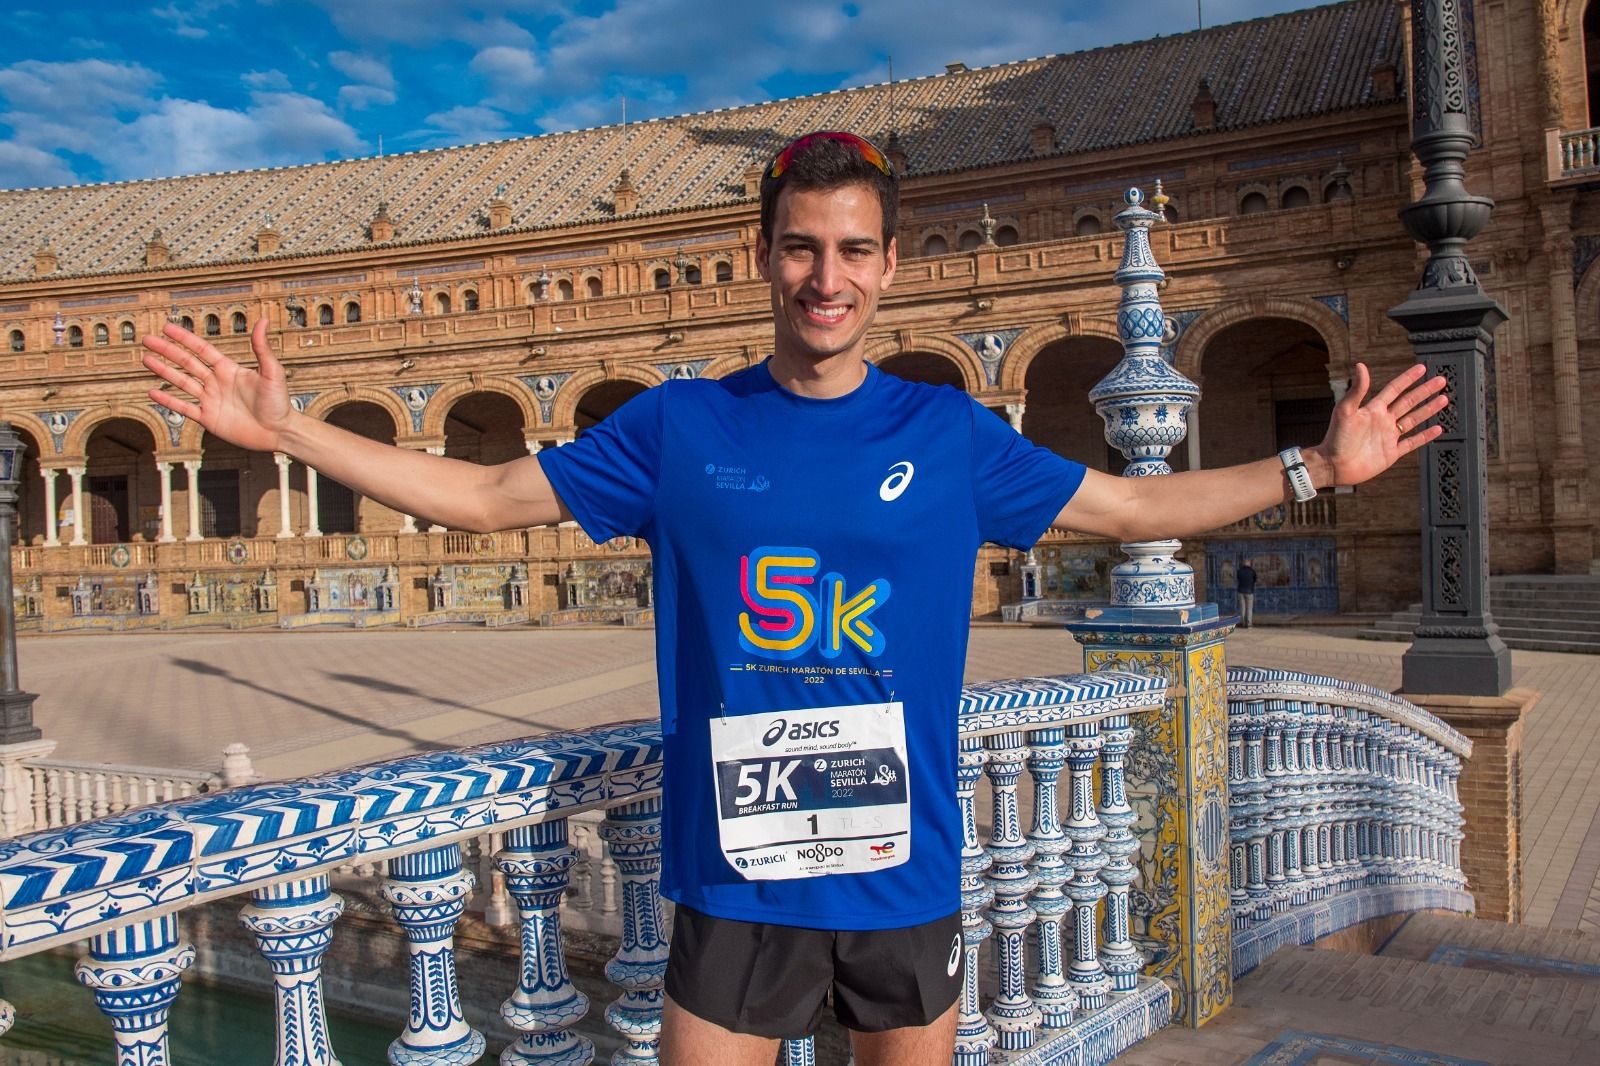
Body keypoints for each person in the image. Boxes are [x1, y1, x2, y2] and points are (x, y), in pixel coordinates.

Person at [140, 130, 1447, 1066]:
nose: (829, 276)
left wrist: (1316, 465)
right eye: (804, 248)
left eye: (856, 252)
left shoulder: (947, 431)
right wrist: (292, 431)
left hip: (904, 872)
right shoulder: (678, 426)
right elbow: (483, 497)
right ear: (761, 257)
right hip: (737, 880)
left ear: (889, 269)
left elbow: (1132, 506)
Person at [1236, 556, 1258, 627]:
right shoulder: (1252, 571)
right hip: (1249, 591)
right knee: (1249, 608)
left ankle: (1243, 623)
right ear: (1249, 563)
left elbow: (1238, 578)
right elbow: (1255, 580)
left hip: (1240, 591)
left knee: (1242, 608)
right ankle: (1248, 623)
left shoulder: (1239, 571)